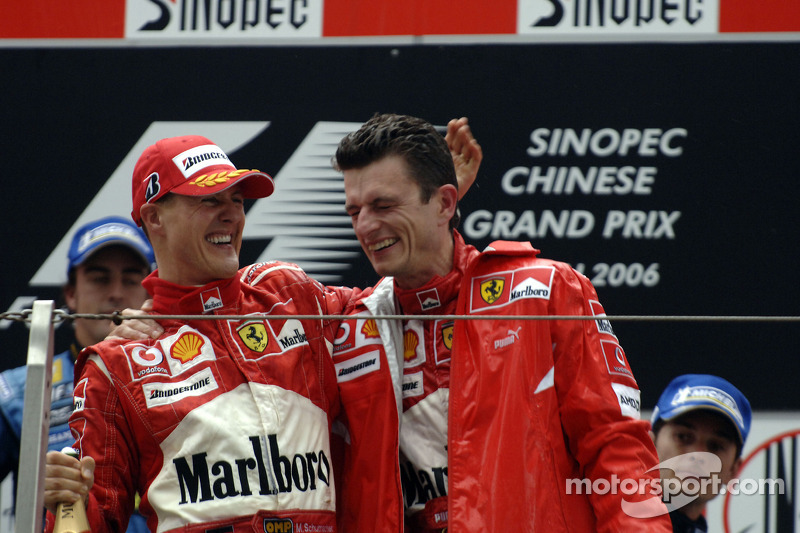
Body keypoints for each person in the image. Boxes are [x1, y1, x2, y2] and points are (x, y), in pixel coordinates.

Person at [329, 113, 672, 532]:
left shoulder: (542, 291)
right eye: (354, 211)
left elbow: (614, 444)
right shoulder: (353, 323)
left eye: (383, 205)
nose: (365, 226)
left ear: (445, 202)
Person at [0, 215, 154, 533]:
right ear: (71, 294)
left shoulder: (187, 373)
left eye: (130, 279)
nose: (116, 293)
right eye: (100, 279)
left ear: (149, 289)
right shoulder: (20, 390)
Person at [650, 374, 752, 533]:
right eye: (683, 437)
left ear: (733, 470)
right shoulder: (604, 522)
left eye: (716, 446)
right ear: (650, 445)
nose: (698, 455)